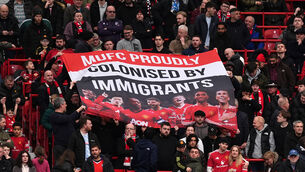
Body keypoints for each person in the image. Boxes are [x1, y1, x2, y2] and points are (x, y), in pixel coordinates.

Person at [50, 97, 86, 163]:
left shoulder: (64, 115)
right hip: (61, 147)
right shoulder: (54, 116)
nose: (66, 106)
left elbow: (71, 122)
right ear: (61, 105)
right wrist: (79, 109)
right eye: (65, 104)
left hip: (69, 146)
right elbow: (68, 119)